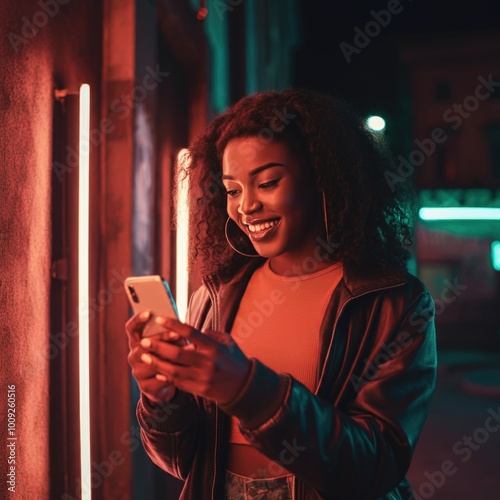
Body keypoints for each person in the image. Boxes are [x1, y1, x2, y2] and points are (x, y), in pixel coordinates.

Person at [126, 89, 437, 499]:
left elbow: (374, 466)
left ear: (321, 177)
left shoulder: (394, 303)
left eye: (267, 182)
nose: (246, 207)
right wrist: (160, 398)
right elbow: (184, 461)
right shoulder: (215, 297)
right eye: (233, 190)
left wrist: (248, 389)